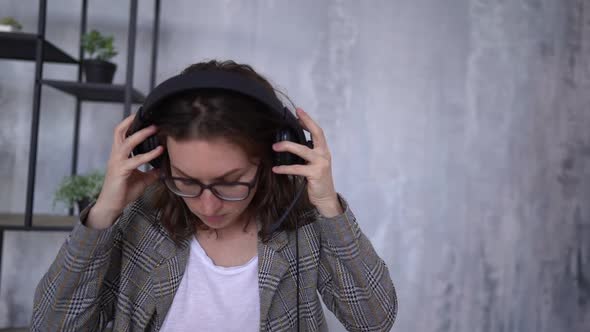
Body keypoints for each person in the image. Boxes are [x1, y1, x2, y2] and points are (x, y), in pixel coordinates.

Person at [31, 60, 397, 331]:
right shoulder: (141, 218)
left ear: (274, 156)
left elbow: (374, 321)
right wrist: (103, 215)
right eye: (186, 181)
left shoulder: (304, 223)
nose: (208, 205)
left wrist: (330, 208)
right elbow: (52, 325)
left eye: (230, 182)